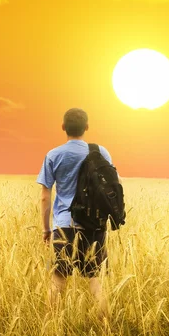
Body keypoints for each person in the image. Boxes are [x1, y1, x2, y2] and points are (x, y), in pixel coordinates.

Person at [37, 108, 117, 312]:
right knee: (96, 281)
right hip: (94, 224)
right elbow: (112, 186)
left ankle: (51, 329)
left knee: (58, 279)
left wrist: (47, 230)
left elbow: (45, 196)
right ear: (87, 127)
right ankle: (106, 331)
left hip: (64, 226)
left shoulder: (54, 155)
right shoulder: (101, 152)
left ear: (63, 127)